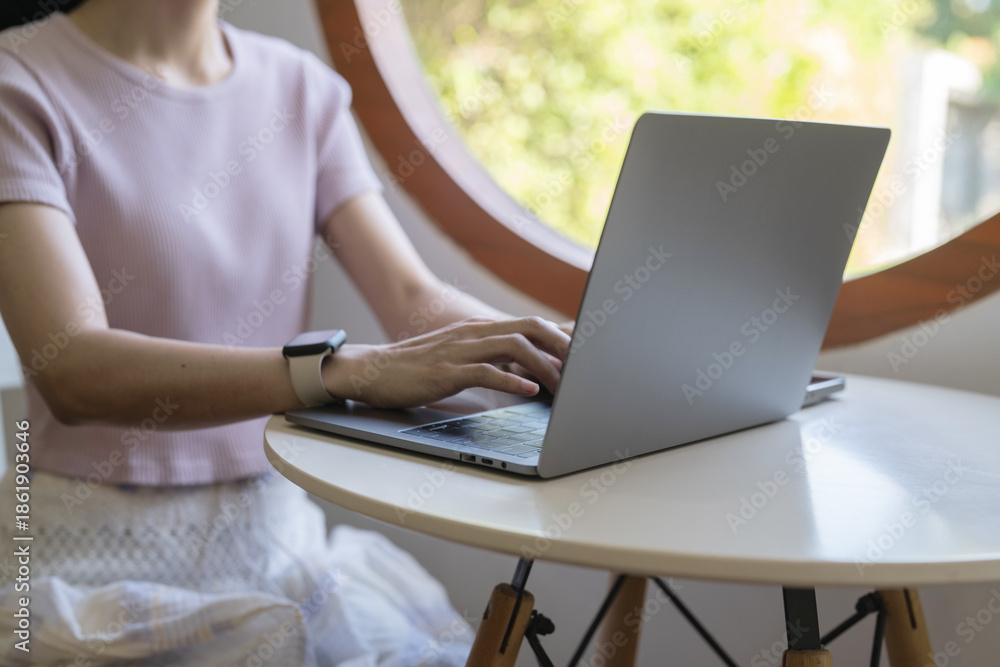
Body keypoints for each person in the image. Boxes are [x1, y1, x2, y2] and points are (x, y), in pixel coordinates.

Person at [0, 0, 570, 664]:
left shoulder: (300, 87)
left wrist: (569, 354)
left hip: (284, 549)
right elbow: (71, 368)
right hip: (93, 572)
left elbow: (415, 299)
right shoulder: (19, 83)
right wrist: (336, 371)